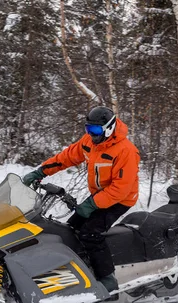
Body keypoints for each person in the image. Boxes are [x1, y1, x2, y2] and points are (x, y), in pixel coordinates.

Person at [22, 106, 140, 293]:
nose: (91, 134)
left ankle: (107, 279)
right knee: (71, 229)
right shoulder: (89, 142)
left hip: (121, 199)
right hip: (100, 194)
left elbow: (120, 189)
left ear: (108, 128)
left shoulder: (126, 151)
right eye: (88, 129)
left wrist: (91, 204)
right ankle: (79, 268)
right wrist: (40, 171)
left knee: (90, 233)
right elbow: (66, 158)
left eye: (95, 130)